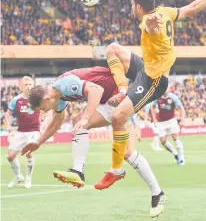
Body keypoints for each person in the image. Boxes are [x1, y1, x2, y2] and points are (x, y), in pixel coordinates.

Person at [96, 0, 206, 192]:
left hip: (154, 80)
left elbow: (151, 28)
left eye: (132, 4)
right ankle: (124, 89)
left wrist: (151, 25)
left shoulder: (147, 22)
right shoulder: (165, 12)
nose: (131, 8)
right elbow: (192, 8)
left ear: (139, 7)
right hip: (146, 68)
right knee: (113, 49)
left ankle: (116, 170)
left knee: (117, 117)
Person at [21, 66, 165, 217]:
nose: (44, 111)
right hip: (112, 100)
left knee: (83, 124)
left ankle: (80, 171)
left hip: (119, 97)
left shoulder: (65, 85)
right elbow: (58, 121)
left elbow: (96, 90)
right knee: (125, 151)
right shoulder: (58, 95)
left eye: (43, 108)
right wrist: (38, 142)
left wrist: (85, 117)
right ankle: (157, 193)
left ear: (46, 99)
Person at [4, 76, 40, 189]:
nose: (28, 87)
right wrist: (9, 127)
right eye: (26, 85)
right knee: (10, 156)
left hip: (34, 130)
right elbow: (7, 115)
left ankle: (28, 177)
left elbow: (48, 111)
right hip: (20, 131)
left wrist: (44, 124)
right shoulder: (16, 100)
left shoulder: (37, 99)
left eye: (30, 84)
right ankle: (18, 176)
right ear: (21, 87)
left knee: (29, 152)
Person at [150, 92, 186, 165]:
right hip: (161, 122)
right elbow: (152, 107)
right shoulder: (157, 96)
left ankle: (181, 158)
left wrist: (182, 119)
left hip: (171, 120)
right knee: (162, 141)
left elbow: (181, 107)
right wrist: (154, 118)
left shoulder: (173, 97)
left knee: (175, 137)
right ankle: (176, 154)